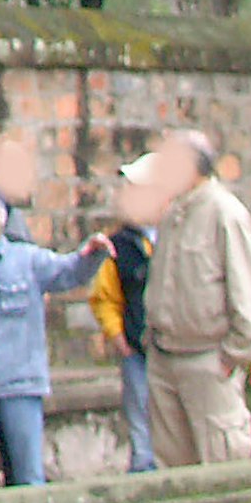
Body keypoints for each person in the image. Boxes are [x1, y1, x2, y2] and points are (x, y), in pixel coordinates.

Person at [0, 181, 103, 490]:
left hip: (20, 382)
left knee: (28, 474)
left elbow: (68, 272)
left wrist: (91, 256)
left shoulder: (27, 259)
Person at [136, 130, 251, 466]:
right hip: (165, 356)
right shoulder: (171, 214)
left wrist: (231, 355)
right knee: (172, 463)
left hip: (208, 358)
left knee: (222, 457)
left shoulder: (224, 212)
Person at [84, 171, 160, 473]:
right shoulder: (120, 243)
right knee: (141, 423)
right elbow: (103, 295)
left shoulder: (176, 235)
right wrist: (117, 336)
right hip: (137, 347)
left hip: (174, 345)